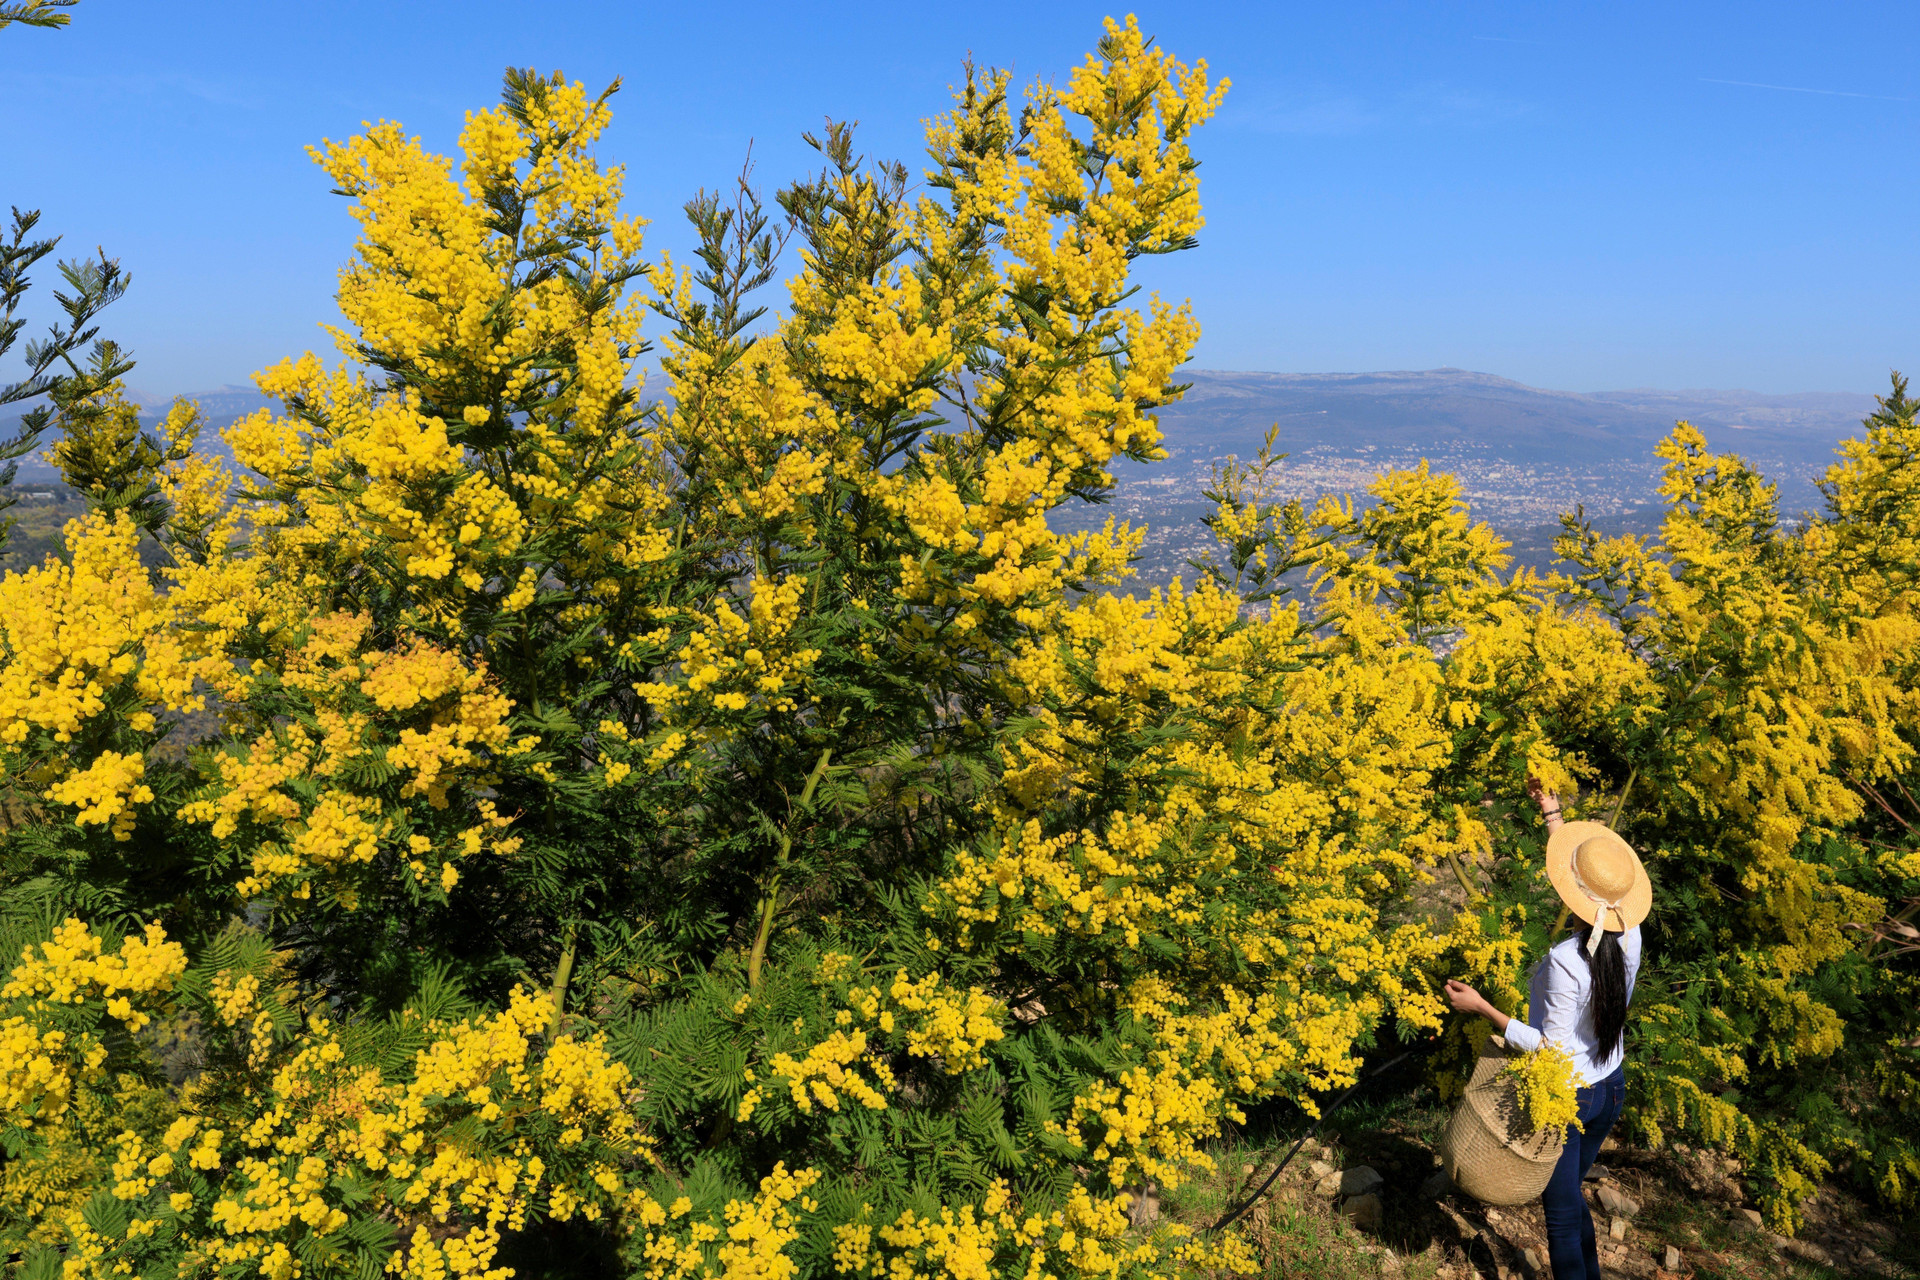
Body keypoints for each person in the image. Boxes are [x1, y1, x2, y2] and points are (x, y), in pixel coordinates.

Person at [1443, 780, 1651, 1280]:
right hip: (1610, 1089)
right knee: (1571, 1198)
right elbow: (1583, 883)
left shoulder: (1564, 961)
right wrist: (1551, 814)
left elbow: (1550, 1050)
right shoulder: (1632, 936)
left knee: (1559, 1220)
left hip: (1567, 1098)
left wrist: (1484, 1008)